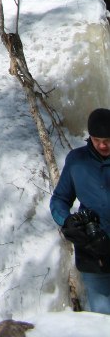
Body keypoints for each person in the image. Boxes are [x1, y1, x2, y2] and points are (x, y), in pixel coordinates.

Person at [50, 107, 110, 314]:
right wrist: (67, 221)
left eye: (108, 140)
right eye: (97, 139)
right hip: (93, 254)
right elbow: (59, 199)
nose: (102, 145)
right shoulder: (77, 161)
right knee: (102, 319)